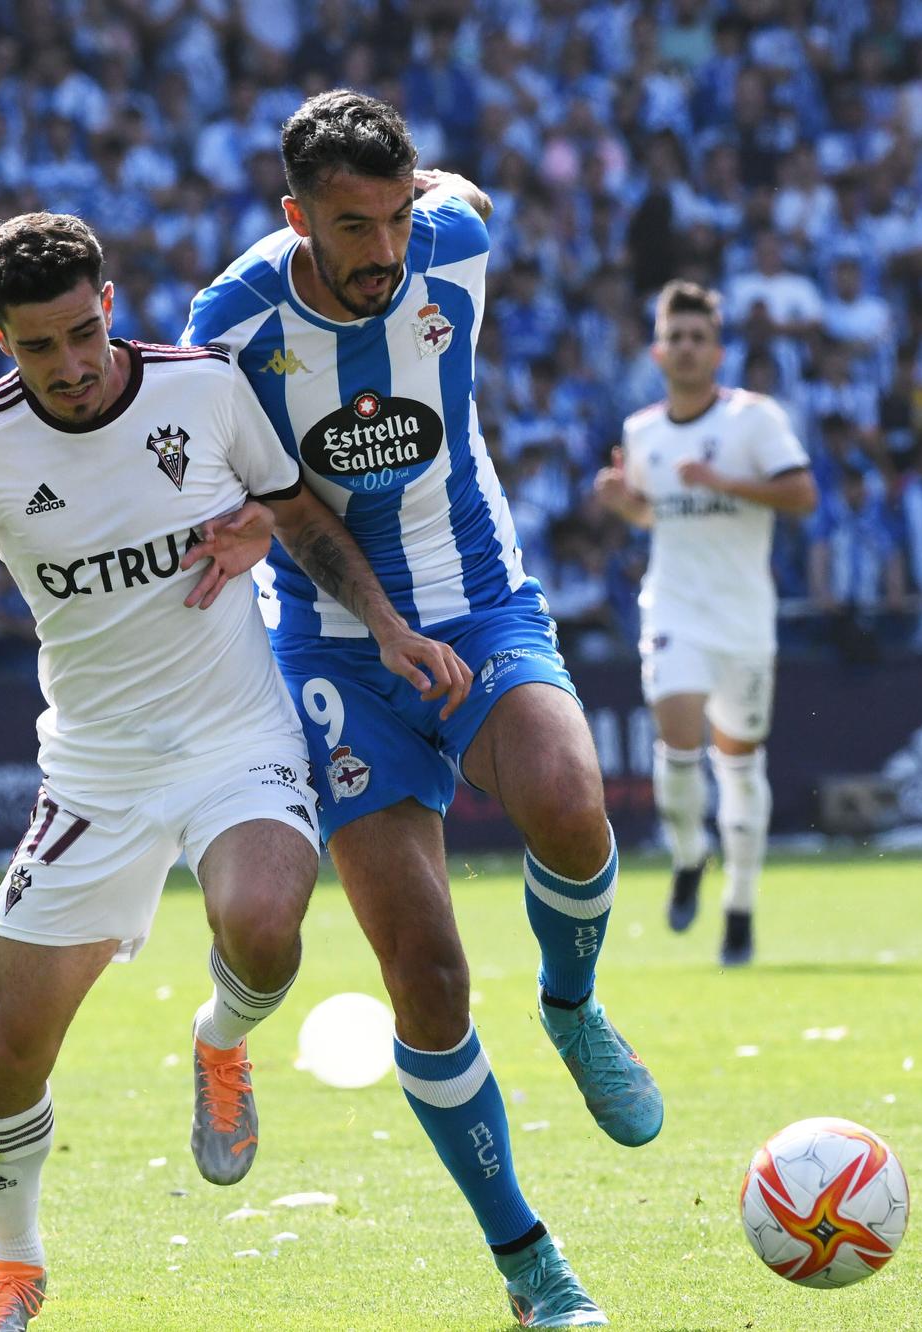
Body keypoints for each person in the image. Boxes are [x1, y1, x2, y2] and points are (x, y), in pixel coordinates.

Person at [0, 212, 466, 1332]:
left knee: (263, 926)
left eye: (84, 333)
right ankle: (15, 1262)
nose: (72, 365)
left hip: (237, 738)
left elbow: (298, 515)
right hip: (93, 773)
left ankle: (221, 1042)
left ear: (111, 302)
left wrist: (383, 625)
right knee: (8, 1052)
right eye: (39, 346)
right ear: (1, 338)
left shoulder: (203, 388)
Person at [182, 90, 660, 1328]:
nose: (384, 251)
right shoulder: (229, 324)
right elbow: (282, 501)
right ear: (295, 216)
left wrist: (429, 192)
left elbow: (470, 199)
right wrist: (383, 632)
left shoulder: (452, 237)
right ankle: (530, 1266)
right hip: (338, 650)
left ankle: (572, 1005)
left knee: (569, 801)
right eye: (353, 226)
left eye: (397, 216)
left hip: (483, 602)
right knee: (430, 979)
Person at [592, 280, 816, 964]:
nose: (686, 349)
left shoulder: (755, 420)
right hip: (675, 607)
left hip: (744, 617)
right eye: (675, 338)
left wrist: (723, 482)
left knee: (740, 766)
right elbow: (658, 513)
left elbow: (802, 495)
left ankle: (740, 904)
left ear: (717, 351)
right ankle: (689, 853)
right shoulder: (642, 430)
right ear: (659, 351)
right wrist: (622, 503)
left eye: (698, 338)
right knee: (678, 739)